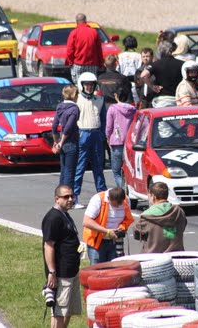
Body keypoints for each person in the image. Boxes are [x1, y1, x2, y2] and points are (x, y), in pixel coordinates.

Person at [42, 185, 82, 327]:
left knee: (68, 310)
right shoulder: (53, 218)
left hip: (72, 271)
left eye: (72, 196)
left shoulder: (64, 215)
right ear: (57, 199)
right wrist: (52, 272)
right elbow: (48, 246)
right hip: (61, 273)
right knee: (59, 312)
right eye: (66, 197)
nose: (70, 199)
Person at [73, 72, 107, 208]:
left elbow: (103, 119)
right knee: (80, 167)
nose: (89, 87)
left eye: (91, 84)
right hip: (83, 133)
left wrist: (103, 135)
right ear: (81, 85)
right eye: (86, 84)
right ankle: (74, 197)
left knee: (98, 167)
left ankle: (103, 195)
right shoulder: (76, 100)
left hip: (96, 133)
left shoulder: (100, 100)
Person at [82, 188, 134, 265]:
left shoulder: (126, 200)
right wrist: (108, 231)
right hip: (97, 242)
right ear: (108, 198)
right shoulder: (98, 199)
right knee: (98, 269)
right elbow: (86, 221)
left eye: (120, 204)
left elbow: (127, 219)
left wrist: (122, 228)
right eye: (115, 205)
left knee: (115, 268)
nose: (118, 207)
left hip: (115, 242)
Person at [133, 182, 187, 253]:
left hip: (153, 256)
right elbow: (183, 226)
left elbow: (137, 233)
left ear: (153, 196)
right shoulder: (179, 212)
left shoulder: (147, 215)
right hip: (176, 254)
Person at [106, 87, 136, 188]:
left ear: (116, 96)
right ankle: (130, 189)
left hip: (116, 142)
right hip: (130, 143)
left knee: (116, 171)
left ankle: (123, 190)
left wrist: (108, 138)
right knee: (130, 170)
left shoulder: (112, 108)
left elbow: (109, 127)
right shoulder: (133, 109)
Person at [52, 85, 80, 192]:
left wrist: (56, 141)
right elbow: (68, 127)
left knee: (63, 172)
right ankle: (68, 195)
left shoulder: (60, 106)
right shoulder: (74, 109)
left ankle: (60, 195)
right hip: (71, 142)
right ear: (73, 95)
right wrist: (62, 141)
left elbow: (54, 126)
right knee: (69, 173)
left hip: (61, 143)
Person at [141, 39, 183, 108]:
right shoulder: (181, 64)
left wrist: (152, 86)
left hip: (162, 100)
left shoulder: (156, 64)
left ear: (160, 50)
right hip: (177, 99)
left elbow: (143, 75)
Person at [66, 13, 104, 86]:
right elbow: (99, 50)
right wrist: (100, 63)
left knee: (78, 85)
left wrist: (70, 63)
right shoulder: (94, 32)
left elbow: (70, 50)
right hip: (92, 64)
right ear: (85, 21)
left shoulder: (74, 33)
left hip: (78, 65)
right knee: (91, 85)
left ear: (76, 22)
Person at [117, 35, 142, 103]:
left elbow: (117, 69)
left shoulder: (120, 56)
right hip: (135, 83)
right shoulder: (139, 56)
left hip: (123, 83)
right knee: (136, 103)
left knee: (124, 103)